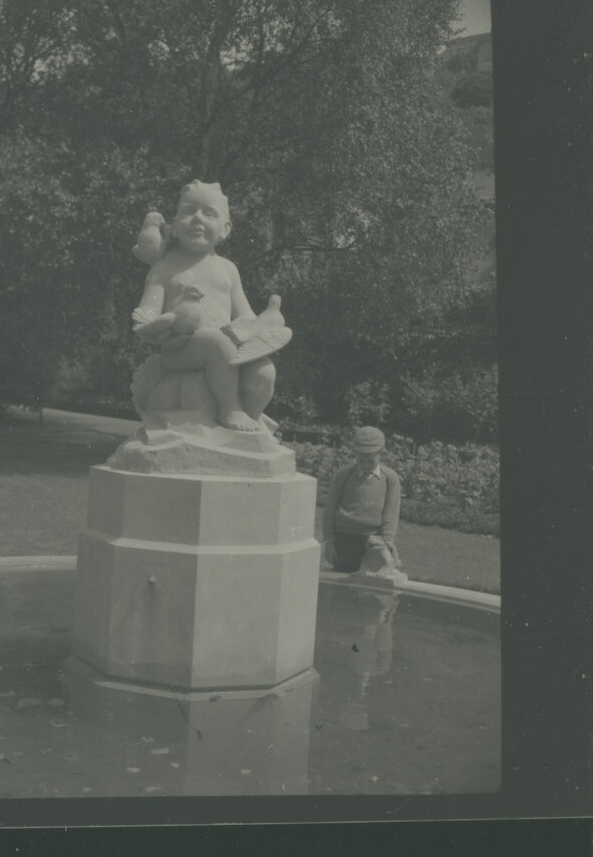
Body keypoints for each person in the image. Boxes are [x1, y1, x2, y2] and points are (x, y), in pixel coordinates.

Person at [130, 181, 289, 431]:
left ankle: (252, 415)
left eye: (209, 213)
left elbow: (245, 314)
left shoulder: (228, 269)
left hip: (226, 346)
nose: (197, 219)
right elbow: (146, 313)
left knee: (264, 372)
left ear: (225, 229)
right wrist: (157, 327)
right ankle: (229, 408)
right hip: (181, 349)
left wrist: (255, 327)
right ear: (174, 224)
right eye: (188, 211)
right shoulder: (165, 268)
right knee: (217, 342)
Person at [322, 426, 403, 574]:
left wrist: (388, 540)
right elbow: (329, 510)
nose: (365, 465)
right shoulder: (343, 475)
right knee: (343, 581)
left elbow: (391, 513)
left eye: (370, 461)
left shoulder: (390, 478)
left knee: (373, 583)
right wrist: (329, 541)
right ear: (354, 453)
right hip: (344, 539)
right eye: (360, 459)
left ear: (382, 453)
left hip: (375, 540)